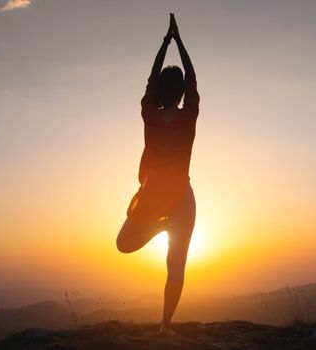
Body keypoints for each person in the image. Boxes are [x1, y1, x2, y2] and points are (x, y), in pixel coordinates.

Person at [116, 13, 199, 336]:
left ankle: (164, 329)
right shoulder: (188, 116)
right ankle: (165, 326)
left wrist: (165, 43)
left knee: (124, 243)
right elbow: (192, 77)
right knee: (176, 266)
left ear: (160, 93)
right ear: (179, 94)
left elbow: (151, 79)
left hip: (154, 194)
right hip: (181, 197)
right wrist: (179, 41)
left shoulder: (149, 115)